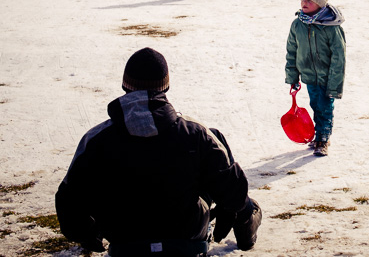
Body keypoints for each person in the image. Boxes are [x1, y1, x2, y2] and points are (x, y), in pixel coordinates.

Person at [55, 47, 261, 256]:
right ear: (166, 86)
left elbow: (67, 203)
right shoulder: (195, 134)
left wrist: (90, 235)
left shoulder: (96, 139)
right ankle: (247, 223)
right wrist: (229, 208)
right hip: (186, 237)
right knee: (213, 143)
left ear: (125, 85)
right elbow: (235, 193)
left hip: (125, 241)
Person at [285, 0, 346, 157]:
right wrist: (292, 76)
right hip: (310, 76)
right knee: (315, 105)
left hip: (328, 78)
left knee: (325, 107)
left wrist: (335, 84)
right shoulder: (298, 24)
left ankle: (323, 139)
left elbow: (339, 58)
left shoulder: (331, 28)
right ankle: (319, 135)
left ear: (320, 3)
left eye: (309, 0)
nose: (304, 3)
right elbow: (292, 51)